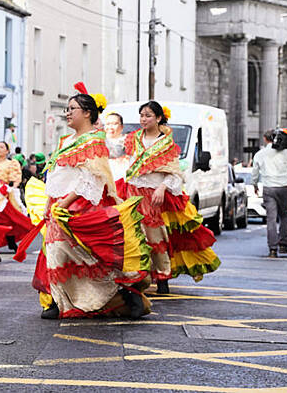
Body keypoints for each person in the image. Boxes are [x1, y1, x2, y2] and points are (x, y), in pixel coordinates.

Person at [23, 83, 151, 320]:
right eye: (67, 109)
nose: (68, 113)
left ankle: (126, 294)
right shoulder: (65, 141)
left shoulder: (94, 141)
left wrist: (65, 203)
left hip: (81, 205)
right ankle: (57, 301)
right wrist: (49, 202)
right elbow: (56, 173)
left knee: (87, 256)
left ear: (87, 113)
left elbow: (91, 178)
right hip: (59, 205)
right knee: (54, 253)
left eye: (73, 108)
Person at [118, 102, 220, 293]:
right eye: (141, 115)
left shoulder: (167, 145)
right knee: (132, 236)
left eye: (148, 115)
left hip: (154, 195)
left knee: (155, 236)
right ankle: (137, 276)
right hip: (132, 192)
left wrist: (162, 188)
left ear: (158, 118)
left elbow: (174, 173)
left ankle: (162, 276)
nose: (143, 119)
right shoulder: (132, 139)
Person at [252, 128, 287, 257]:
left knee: (271, 219)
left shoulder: (260, 154)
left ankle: (272, 248)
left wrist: (255, 184)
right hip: (284, 187)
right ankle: (283, 244)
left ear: (265, 139)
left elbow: (255, 172)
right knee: (284, 216)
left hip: (269, 188)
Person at [104, 112, 128, 180]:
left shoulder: (127, 141)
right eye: (108, 124)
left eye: (114, 124)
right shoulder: (99, 141)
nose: (110, 127)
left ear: (122, 127)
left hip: (121, 178)